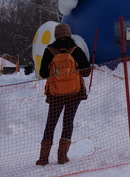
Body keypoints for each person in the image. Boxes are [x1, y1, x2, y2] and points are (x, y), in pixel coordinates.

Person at [37, 23, 91, 166]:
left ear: (55, 36)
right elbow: (86, 73)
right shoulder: (76, 50)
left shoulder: (49, 50)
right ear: (69, 34)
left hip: (55, 93)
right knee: (68, 122)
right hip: (75, 93)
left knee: (51, 123)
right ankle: (62, 156)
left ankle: (43, 158)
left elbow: (42, 73)